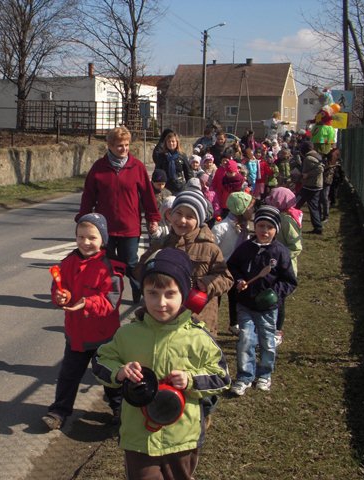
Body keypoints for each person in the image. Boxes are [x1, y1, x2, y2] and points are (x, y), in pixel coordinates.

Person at [92, 248, 231, 480]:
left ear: (183, 294)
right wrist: (119, 373)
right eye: (153, 293)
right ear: (143, 293)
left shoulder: (198, 337)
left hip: (182, 438)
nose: (161, 303)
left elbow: (222, 376)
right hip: (138, 438)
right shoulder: (128, 334)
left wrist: (190, 380)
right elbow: (100, 360)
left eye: (170, 294)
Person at [42, 213, 125, 430]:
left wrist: (87, 303)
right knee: (68, 376)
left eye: (92, 238)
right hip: (76, 334)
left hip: (103, 336)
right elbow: (59, 288)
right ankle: (59, 411)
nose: (85, 242)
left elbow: (111, 301)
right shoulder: (68, 262)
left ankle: (119, 408)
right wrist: (61, 297)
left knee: (110, 376)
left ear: (103, 240)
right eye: (80, 237)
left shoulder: (110, 267)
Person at [78, 126, 161, 303]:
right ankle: (107, 295)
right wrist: (83, 218)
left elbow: (147, 195)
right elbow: (89, 195)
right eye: (119, 146)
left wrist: (153, 218)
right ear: (110, 146)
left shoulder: (136, 167)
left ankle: (139, 291)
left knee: (130, 263)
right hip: (104, 227)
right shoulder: (99, 168)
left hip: (129, 226)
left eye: (126, 145)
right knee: (104, 263)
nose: (123, 149)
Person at [227, 206, 298, 395]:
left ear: (276, 230)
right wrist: (239, 280)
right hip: (245, 304)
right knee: (246, 340)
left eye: (269, 227)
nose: (264, 231)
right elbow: (232, 267)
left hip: (268, 308)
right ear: (254, 226)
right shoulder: (244, 248)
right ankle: (244, 376)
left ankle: (265, 374)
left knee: (267, 342)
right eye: (261, 225)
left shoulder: (280, 252)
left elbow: (289, 280)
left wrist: (274, 293)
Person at [160, 191, 234, 336]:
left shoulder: (209, 247)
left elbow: (226, 278)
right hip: (167, 315)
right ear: (171, 214)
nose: (182, 221)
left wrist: (207, 283)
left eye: (190, 217)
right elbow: (141, 270)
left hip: (199, 318)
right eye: (178, 213)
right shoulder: (162, 244)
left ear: (198, 220)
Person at [211, 192, 255, 336]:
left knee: (235, 296)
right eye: (250, 207)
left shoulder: (245, 227)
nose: (252, 210)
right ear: (241, 209)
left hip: (236, 268)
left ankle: (234, 322)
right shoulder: (221, 228)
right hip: (220, 267)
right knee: (215, 296)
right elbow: (211, 249)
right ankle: (212, 322)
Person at [265, 187, 303, 347]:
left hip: (284, 267)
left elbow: (296, 246)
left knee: (279, 300)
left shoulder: (286, 220)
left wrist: (283, 256)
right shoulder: (277, 217)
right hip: (272, 266)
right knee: (269, 297)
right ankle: (266, 327)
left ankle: (277, 331)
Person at [295, 141, 324, 235]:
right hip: (314, 185)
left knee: (296, 202)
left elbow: (320, 168)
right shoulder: (315, 155)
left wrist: (307, 174)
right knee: (313, 206)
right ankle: (318, 227)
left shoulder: (309, 158)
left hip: (311, 186)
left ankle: (290, 220)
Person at [321, 147, 342, 221]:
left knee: (324, 197)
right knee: (323, 198)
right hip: (324, 179)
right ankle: (323, 214)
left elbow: (326, 168)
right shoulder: (325, 157)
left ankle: (325, 215)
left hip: (327, 180)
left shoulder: (333, 159)